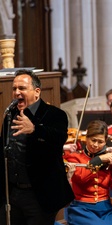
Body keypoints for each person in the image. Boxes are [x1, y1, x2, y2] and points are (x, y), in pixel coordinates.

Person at [0, 69, 74, 225]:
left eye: (22, 88)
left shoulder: (55, 114)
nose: (16, 92)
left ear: (37, 92)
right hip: (13, 193)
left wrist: (34, 129)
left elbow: (59, 138)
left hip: (39, 195)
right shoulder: (10, 114)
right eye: (14, 89)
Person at [64, 120, 112, 225]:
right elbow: (81, 178)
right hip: (81, 209)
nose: (95, 145)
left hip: (106, 209)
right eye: (93, 140)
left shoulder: (109, 161)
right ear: (86, 138)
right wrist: (99, 159)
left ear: (105, 142)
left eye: (100, 142)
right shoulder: (74, 157)